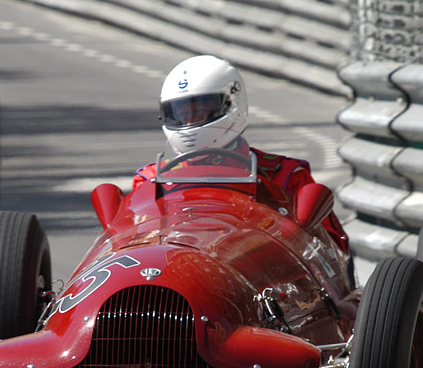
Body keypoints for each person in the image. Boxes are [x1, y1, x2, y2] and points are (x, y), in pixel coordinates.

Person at [134, 55, 350, 257]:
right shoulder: (150, 179)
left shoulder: (284, 175)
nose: (189, 123)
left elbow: (334, 255)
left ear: (231, 104)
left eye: (199, 111)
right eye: (181, 114)